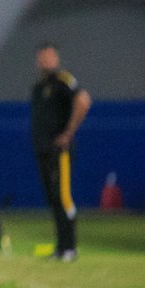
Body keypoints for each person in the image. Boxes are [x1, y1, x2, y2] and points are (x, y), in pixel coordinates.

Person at [31, 43, 91, 262]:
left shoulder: (63, 81)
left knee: (63, 197)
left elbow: (83, 101)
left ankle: (70, 248)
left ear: (56, 58)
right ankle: (60, 247)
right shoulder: (39, 87)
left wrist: (69, 132)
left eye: (49, 56)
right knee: (53, 199)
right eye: (42, 57)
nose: (45, 61)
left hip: (60, 152)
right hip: (43, 151)